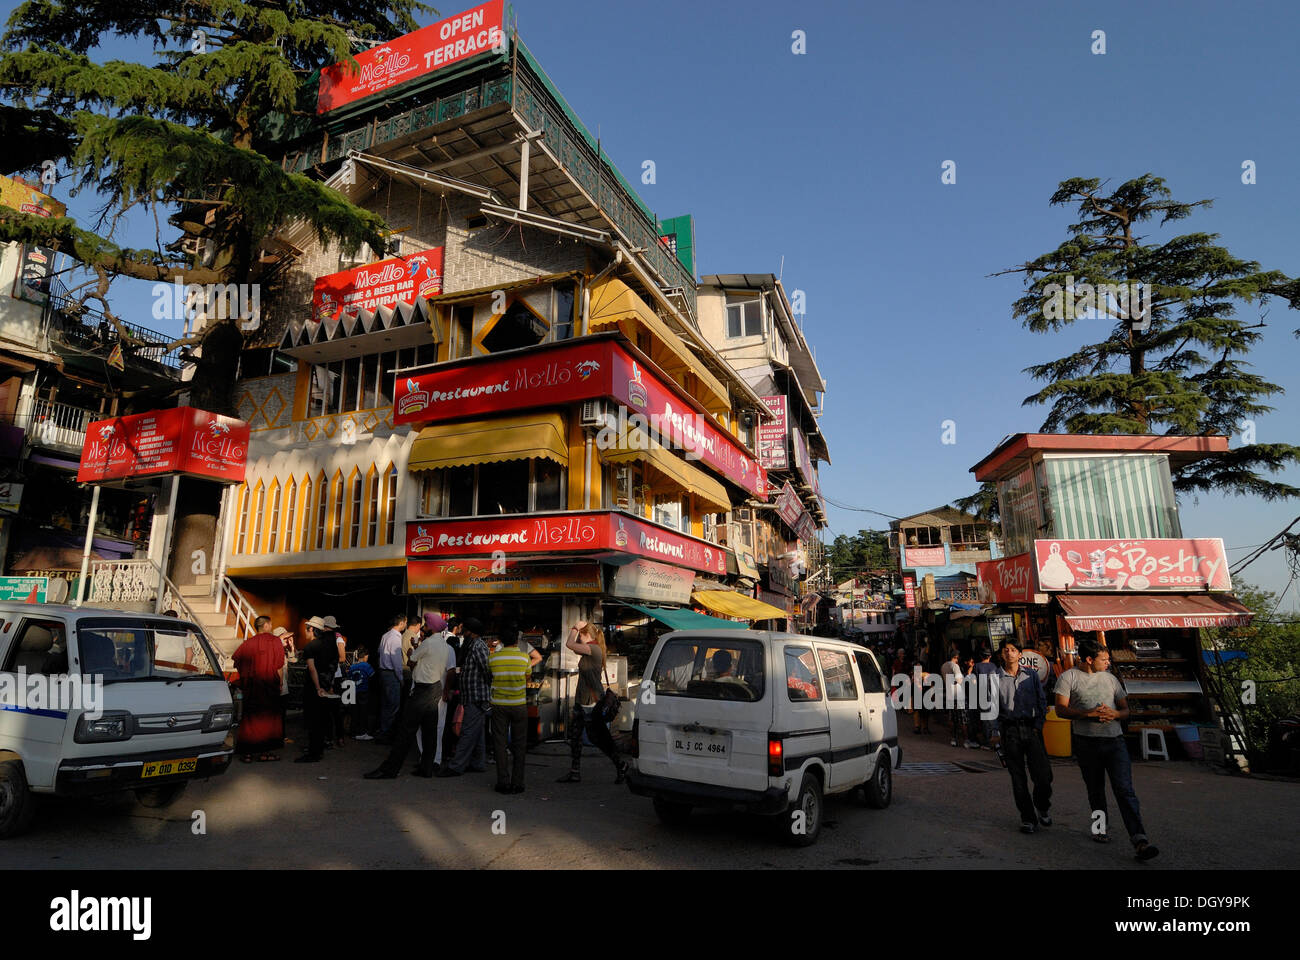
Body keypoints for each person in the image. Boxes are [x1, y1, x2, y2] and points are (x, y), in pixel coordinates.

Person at [1056, 639, 1159, 861]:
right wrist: (1088, 714)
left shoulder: (1111, 679)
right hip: (1086, 743)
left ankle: (1140, 839)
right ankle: (1100, 828)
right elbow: (1060, 710)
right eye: (1104, 659)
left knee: (1125, 790)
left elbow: (1125, 710)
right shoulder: (1069, 678)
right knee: (1095, 790)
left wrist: (1115, 715)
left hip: (1115, 742)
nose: (1108, 662)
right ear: (1090, 659)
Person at [365, 614, 452, 779]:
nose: (423, 628)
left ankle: (390, 769)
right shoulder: (444, 645)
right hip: (436, 689)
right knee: (430, 731)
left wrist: (414, 649)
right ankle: (426, 768)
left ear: (431, 628)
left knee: (406, 730)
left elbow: (411, 661)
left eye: (426, 626)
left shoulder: (427, 643)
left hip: (422, 689)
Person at [989, 638, 1053, 834]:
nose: (1009, 653)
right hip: (1009, 731)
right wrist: (994, 732)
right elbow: (990, 707)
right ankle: (1028, 818)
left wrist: (1038, 726)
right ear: (1001, 654)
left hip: (1031, 729)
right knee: (1018, 778)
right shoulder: (994, 678)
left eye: (1013, 650)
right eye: (1005, 650)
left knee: (1043, 777)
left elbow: (1042, 703)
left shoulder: (1031, 675)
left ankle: (1041, 805)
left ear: (1020, 654)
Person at [556, 618, 627, 785]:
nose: (579, 637)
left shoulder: (593, 649)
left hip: (591, 702)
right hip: (582, 700)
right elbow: (574, 647)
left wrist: (574, 627)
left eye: (581, 635)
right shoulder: (590, 649)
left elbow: (569, 644)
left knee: (598, 738)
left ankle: (621, 764)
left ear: (586, 635)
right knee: (575, 735)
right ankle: (575, 772)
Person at [438, 617, 490, 777]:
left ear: (471, 632)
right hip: (472, 694)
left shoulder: (478, 645)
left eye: (465, 630)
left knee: (467, 731)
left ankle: (456, 766)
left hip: (476, 695)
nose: (462, 632)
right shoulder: (473, 645)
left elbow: (486, 669)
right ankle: (478, 763)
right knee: (478, 731)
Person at [231, 616, 286, 762]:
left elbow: (237, 662)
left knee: (250, 718)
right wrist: (280, 683)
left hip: (252, 686)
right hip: (269, 685)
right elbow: (279, 665)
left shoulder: (248, 643)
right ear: (267, 625)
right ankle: (265, 752)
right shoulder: (275, 641)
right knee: (268, 718)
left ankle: (248, 753)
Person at [488, 624, 531, 794]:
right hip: (519, 705)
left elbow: (489, 675)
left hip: (499, 704)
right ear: (516, 640)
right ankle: (518, 783)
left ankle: (502, 782)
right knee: (520, 744)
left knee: (500, 743)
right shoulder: (524, 658)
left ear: (502, 641)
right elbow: (527, 678)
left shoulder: (493, 658)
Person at [294, 617, 338, 763]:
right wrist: (327, 685)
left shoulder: (310, 647)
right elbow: (332, 666)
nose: (305, 632)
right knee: (321, 720)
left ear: (311, 629)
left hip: (314, 687)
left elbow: (312, 669)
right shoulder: (329, 646)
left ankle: (313, 753)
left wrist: (318, 687)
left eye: (307, 629)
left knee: (313, 721)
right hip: (325, 685)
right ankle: (317, 750)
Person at [376, 612, 407, 744]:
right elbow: (396, 662)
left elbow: (379, 651)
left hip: (383, 672)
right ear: (401, 623)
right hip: (390, 673)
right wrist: (401, 678)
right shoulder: (396, 637)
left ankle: (383, 731)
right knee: (393, 705)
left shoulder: (385, 635)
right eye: (405, 622)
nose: (405, 625)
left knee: (386, 704)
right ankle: (386, 734)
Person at [348, 644, 376, 741]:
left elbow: (349, 679)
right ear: (365, 656)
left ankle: (353, 732)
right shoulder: (367, 666)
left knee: (354, 712)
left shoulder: (352, 667)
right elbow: (373, 677)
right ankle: (362, 732)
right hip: (363, 692)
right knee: (363, 712)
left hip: (353, 692)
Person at [971, 647, 998, 747]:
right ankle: (995, 741)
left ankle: (988, 742)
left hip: (982, 694)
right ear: (990, 656)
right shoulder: (994, 666)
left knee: (986, 719)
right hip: (994, 694)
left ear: (980, 656)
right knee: (994, 717)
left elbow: (973, 681)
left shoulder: (977, 666)